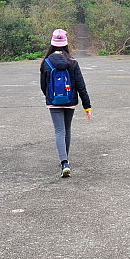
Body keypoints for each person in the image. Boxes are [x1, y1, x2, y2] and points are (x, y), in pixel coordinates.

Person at [40, 29, 92, 178]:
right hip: (70, 100)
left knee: (59, 131)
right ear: (65, 43)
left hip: (53, 101)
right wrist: (87, 106)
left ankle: (64, 162)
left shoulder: (46, 62)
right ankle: (65, 161)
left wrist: (49, 97)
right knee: (67, 129)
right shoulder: (72, 62)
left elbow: (43, 85)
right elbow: (81, 86)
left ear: (52, 43)